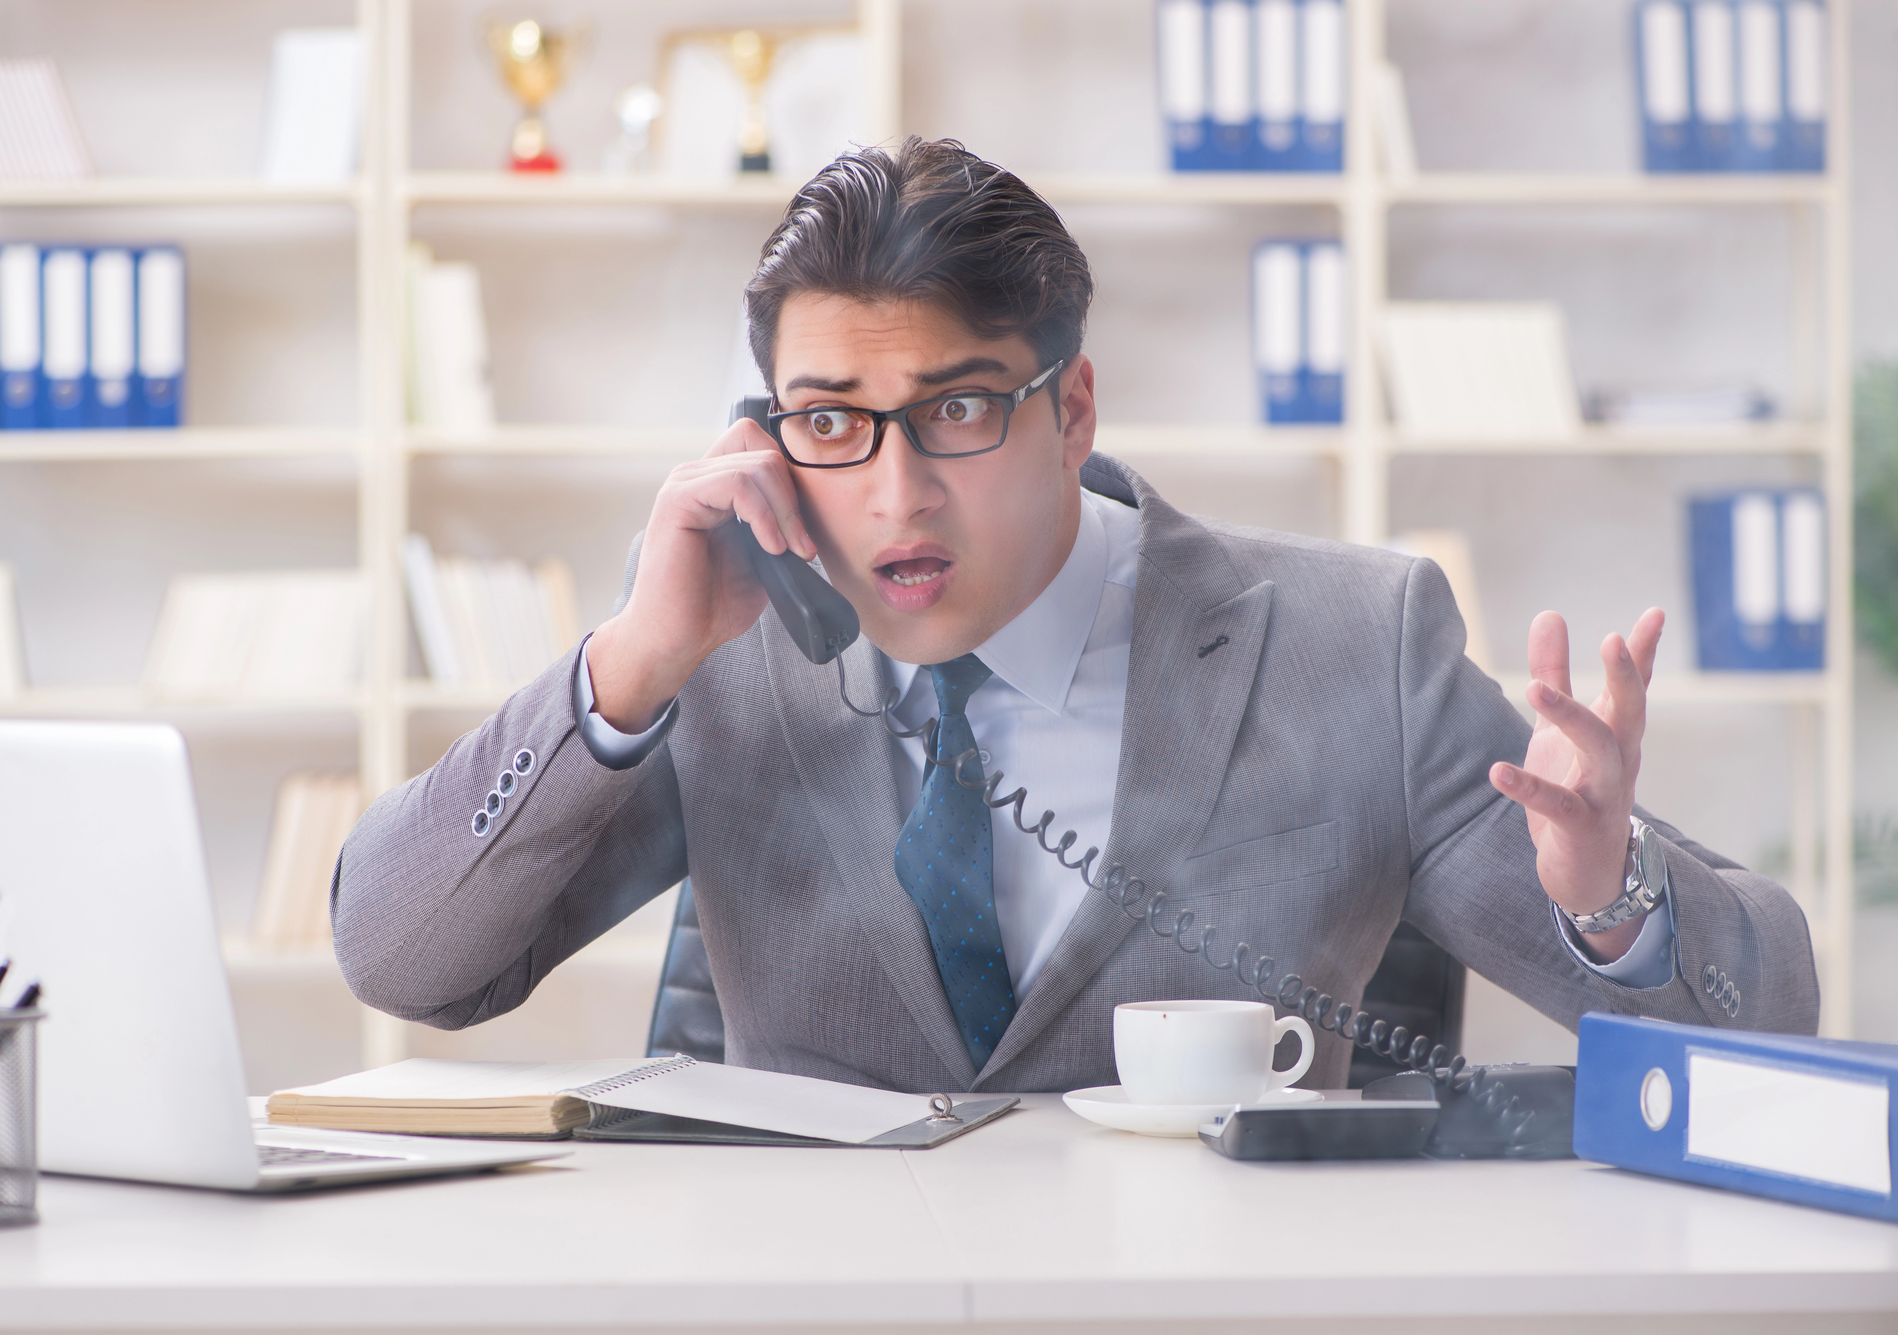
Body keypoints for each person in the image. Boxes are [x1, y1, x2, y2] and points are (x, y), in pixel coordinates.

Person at [335, 138, 1817, 1092]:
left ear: (1072, 407)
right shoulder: (727, 646)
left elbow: (1759, 1039)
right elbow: (402, 965)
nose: (897, 498)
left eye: (959, 410)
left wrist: (1610, 900)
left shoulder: (1358, 645)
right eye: (833, 422)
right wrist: (628, 665)